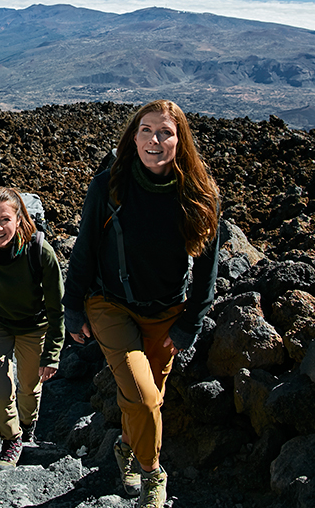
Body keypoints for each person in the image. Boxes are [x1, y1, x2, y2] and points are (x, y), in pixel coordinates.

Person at [63, 100, 220, 508]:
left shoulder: (199, 194)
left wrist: (190, 324)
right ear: (133, 138)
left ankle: (126, 450)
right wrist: (73, 307)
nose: (155, 139)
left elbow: (207, 269)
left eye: (165, 132)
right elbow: (84, 251)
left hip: (166, 314)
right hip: (110, 304)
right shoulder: (108, 186)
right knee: (145, 398)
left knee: (147, 397)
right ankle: (153, 473)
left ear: (180, 140)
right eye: (146, 131)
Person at [0, 186, 65, 470]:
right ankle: (11, 439)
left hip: (34, 326)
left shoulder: (40, 251)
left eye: (5, 219)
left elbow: (58, 307)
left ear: (19, 220)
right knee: (0, 387)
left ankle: (27, 424)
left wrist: (52, 352)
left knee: (29, 387)